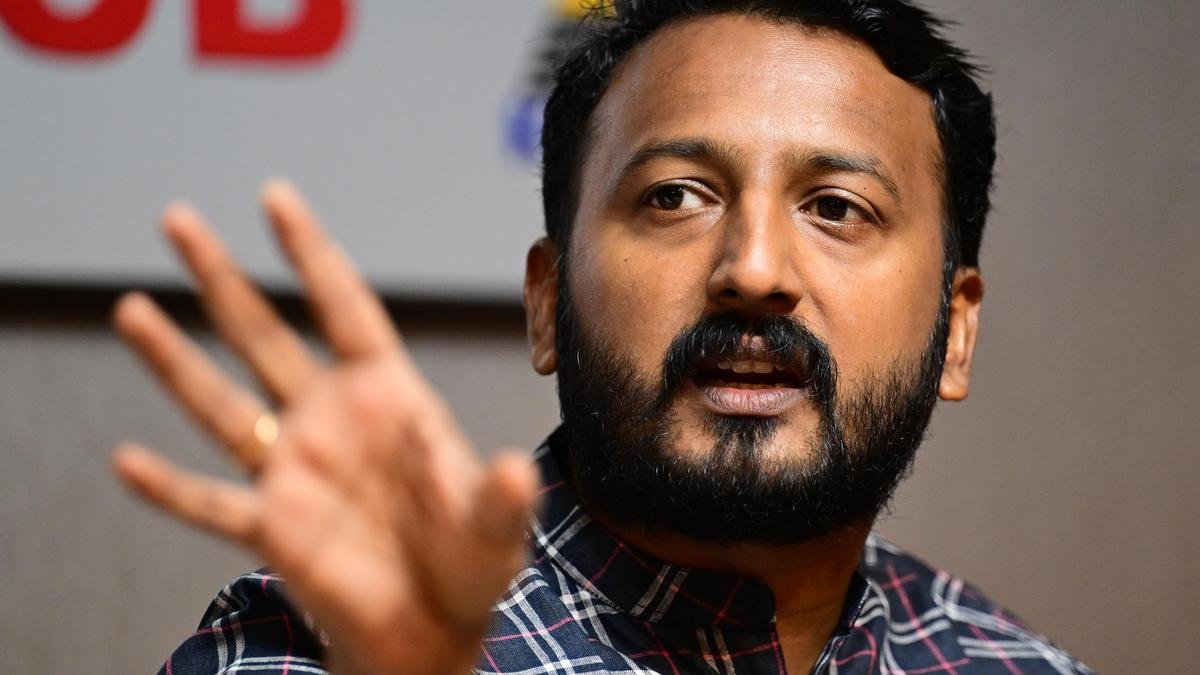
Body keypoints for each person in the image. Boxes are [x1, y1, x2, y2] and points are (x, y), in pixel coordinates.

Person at [111, 1, 1093, 673]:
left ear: (956, 332)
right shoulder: (338, 642)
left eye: (838, 207)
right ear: (547, 301)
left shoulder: (1011, 663)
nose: (755, 268)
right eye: (675, 196)